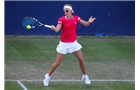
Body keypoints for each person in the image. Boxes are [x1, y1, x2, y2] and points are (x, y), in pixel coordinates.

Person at [43, 4, 96, 86]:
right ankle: (48, 76)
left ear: (71, 11)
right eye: (64, 11)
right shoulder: (61, 19)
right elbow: (57, 30)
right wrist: (53, 28)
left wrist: (89, 22)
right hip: (63, 44)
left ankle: (85, 76)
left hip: (73, 43)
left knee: (81, 60)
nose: (65, 12)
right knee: (57, 63)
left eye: (67, 10)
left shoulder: (76, 18)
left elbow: (86, 24)